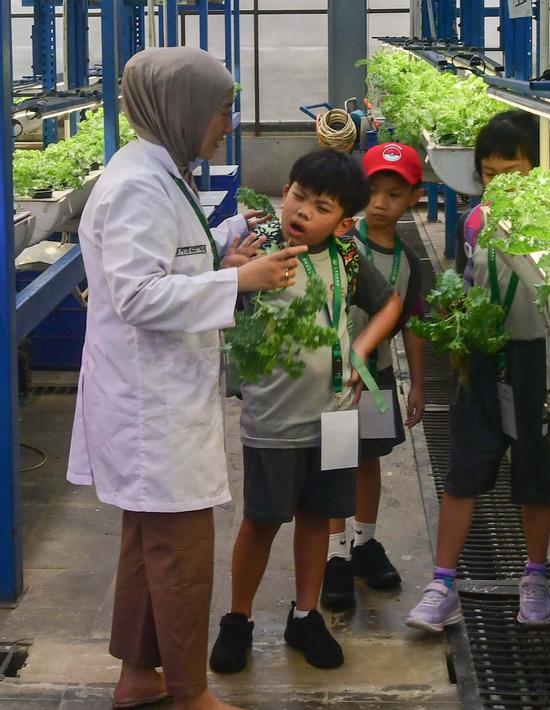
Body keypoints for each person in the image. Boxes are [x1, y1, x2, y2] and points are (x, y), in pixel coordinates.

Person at [66, 46, 305, 710]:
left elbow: (163, 271)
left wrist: (221, 260)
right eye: (221, 111)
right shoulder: (140, 184)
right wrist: (237, 280)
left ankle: (140, 678)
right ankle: (190, 693)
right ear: (184, 110)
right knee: (181, 555)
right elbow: (139, 297)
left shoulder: (160, 171)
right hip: (151, 405)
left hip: (157, 393)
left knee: (149, 546)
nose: (226, 125)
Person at [208, 150, 402, 672]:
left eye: (320, 206)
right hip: (273, 417)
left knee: (319, 519)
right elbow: (213, 311)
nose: (300, 210)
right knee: (261, 521)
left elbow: (390, 304)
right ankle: (238, 618)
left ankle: (305, 614)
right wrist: (228, 278)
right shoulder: (257, 252)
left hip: (337, 415)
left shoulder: (347, 258)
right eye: (297, 194)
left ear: (344, 221)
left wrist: (361, 350)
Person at [405, 110, 550, 633]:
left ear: (539, 169)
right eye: (490, 173)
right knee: (464, 468)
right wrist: (456, 317)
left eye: (514, 172)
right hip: (485, 355)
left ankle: (535, 577)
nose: (500, 184)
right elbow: (467, 277)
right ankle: (442, 583)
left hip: (540, 360)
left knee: (538, 476)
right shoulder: (475, 220)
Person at [321, 142, 428, 611]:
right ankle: (335, 552)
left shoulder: (409, 263)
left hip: (379, 375)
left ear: (414, 198)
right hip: (338, 378)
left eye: (394, 194)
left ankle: (365, 542)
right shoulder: (340, 244)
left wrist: (417, 384)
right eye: (373, 192)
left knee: (368, 460)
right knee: (337, 460)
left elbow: (413, 327)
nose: (381, 204)